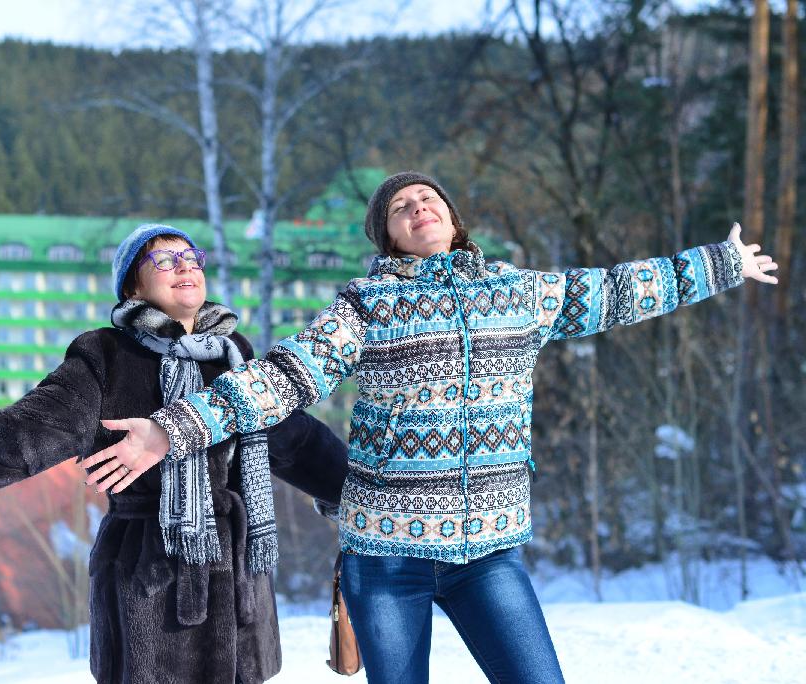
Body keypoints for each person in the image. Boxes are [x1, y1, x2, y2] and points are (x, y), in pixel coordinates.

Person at [77, 172, 779, 684]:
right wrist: (172, 429)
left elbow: (618, 290)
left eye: (428, 198)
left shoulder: (518, 294)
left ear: (452, 219)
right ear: (387, 235)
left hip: (490, 555)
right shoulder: (369, 305)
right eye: (400, 206)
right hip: (388, 561)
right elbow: (284, 378)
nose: (418, 206)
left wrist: (722, 263)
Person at [0, 223, 350, 684]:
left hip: (239, 586)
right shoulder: (108, 358)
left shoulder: (237, 360)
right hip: (150, 576)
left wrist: (365, 494)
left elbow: (297, 440)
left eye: (192, 257)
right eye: (164, 260)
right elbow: (18, 438)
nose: (184, 267)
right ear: (133, 286)